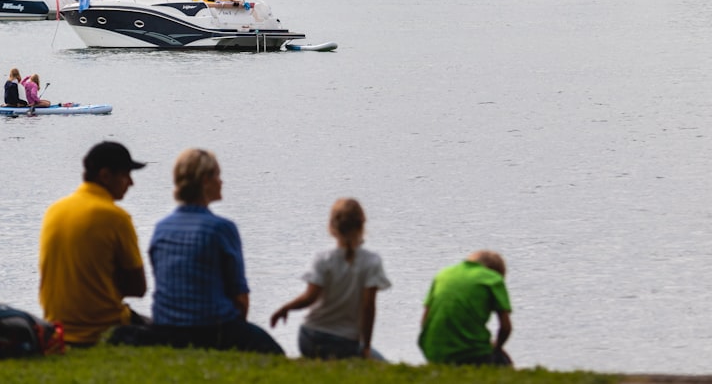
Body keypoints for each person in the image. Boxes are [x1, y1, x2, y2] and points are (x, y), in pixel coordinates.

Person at [144, 148, 283, 354]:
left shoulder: (161, 228)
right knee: (273, 352)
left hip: (165, 328)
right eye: (217, 175)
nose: (221, 182)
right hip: (211, 328)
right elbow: (240, 299)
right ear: (205, 181)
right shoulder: (221, 228)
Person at [38, 141, 148, 346]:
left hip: (56, 328)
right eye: (126, 174)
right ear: (105, 175)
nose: (131, 183)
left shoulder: (54, 210)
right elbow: (138, 288)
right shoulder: (116, 217)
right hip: (101, 329)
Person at [270, 198, 390, 360]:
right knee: (381, 363)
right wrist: (366, 346)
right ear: (362, 225)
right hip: (344, 344)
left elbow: (309, 298)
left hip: (309, 337)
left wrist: (285, 308)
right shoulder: (371, 262)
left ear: (332, 227)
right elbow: (368, 307)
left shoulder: (322, 258)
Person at [418, 250, 513, 367]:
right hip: (471, 354)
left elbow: (425, 321)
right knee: (503, 361)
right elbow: (505, 327)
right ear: (496, 272)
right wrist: (497, 347)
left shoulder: (443, 274)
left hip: (433, 351)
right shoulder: (493, 279)